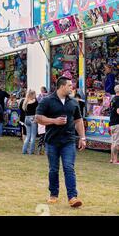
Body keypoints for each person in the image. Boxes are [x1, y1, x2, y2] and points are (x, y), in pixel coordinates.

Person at [35, 76, 86, 208]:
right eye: (69, 85)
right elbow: (38, 118)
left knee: (69, 168)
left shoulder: (74, 102)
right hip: (52, 141)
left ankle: (73, 197)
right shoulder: (47, 100)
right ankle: (53, 194)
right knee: (53, 169)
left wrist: (82, 137)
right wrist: (54, 121)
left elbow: (78, 120)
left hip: (68, 141)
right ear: (62, 86)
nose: (72, 88)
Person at [22, 90, 39, 155]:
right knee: (33, 136)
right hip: (32, 118)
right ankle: (31, 151)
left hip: (26, 118)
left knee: (28, 136)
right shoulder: (35, 101)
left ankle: (24, 150)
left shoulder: (25, 101)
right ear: (32, 95)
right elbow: (38, 109)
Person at [109, 85, 119, 164]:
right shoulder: (118, 99)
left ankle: (112, 159)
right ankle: (115, 160)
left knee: (113, 142)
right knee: (115, 142)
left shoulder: (113, 99)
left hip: (112, 123)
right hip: (117, 123)